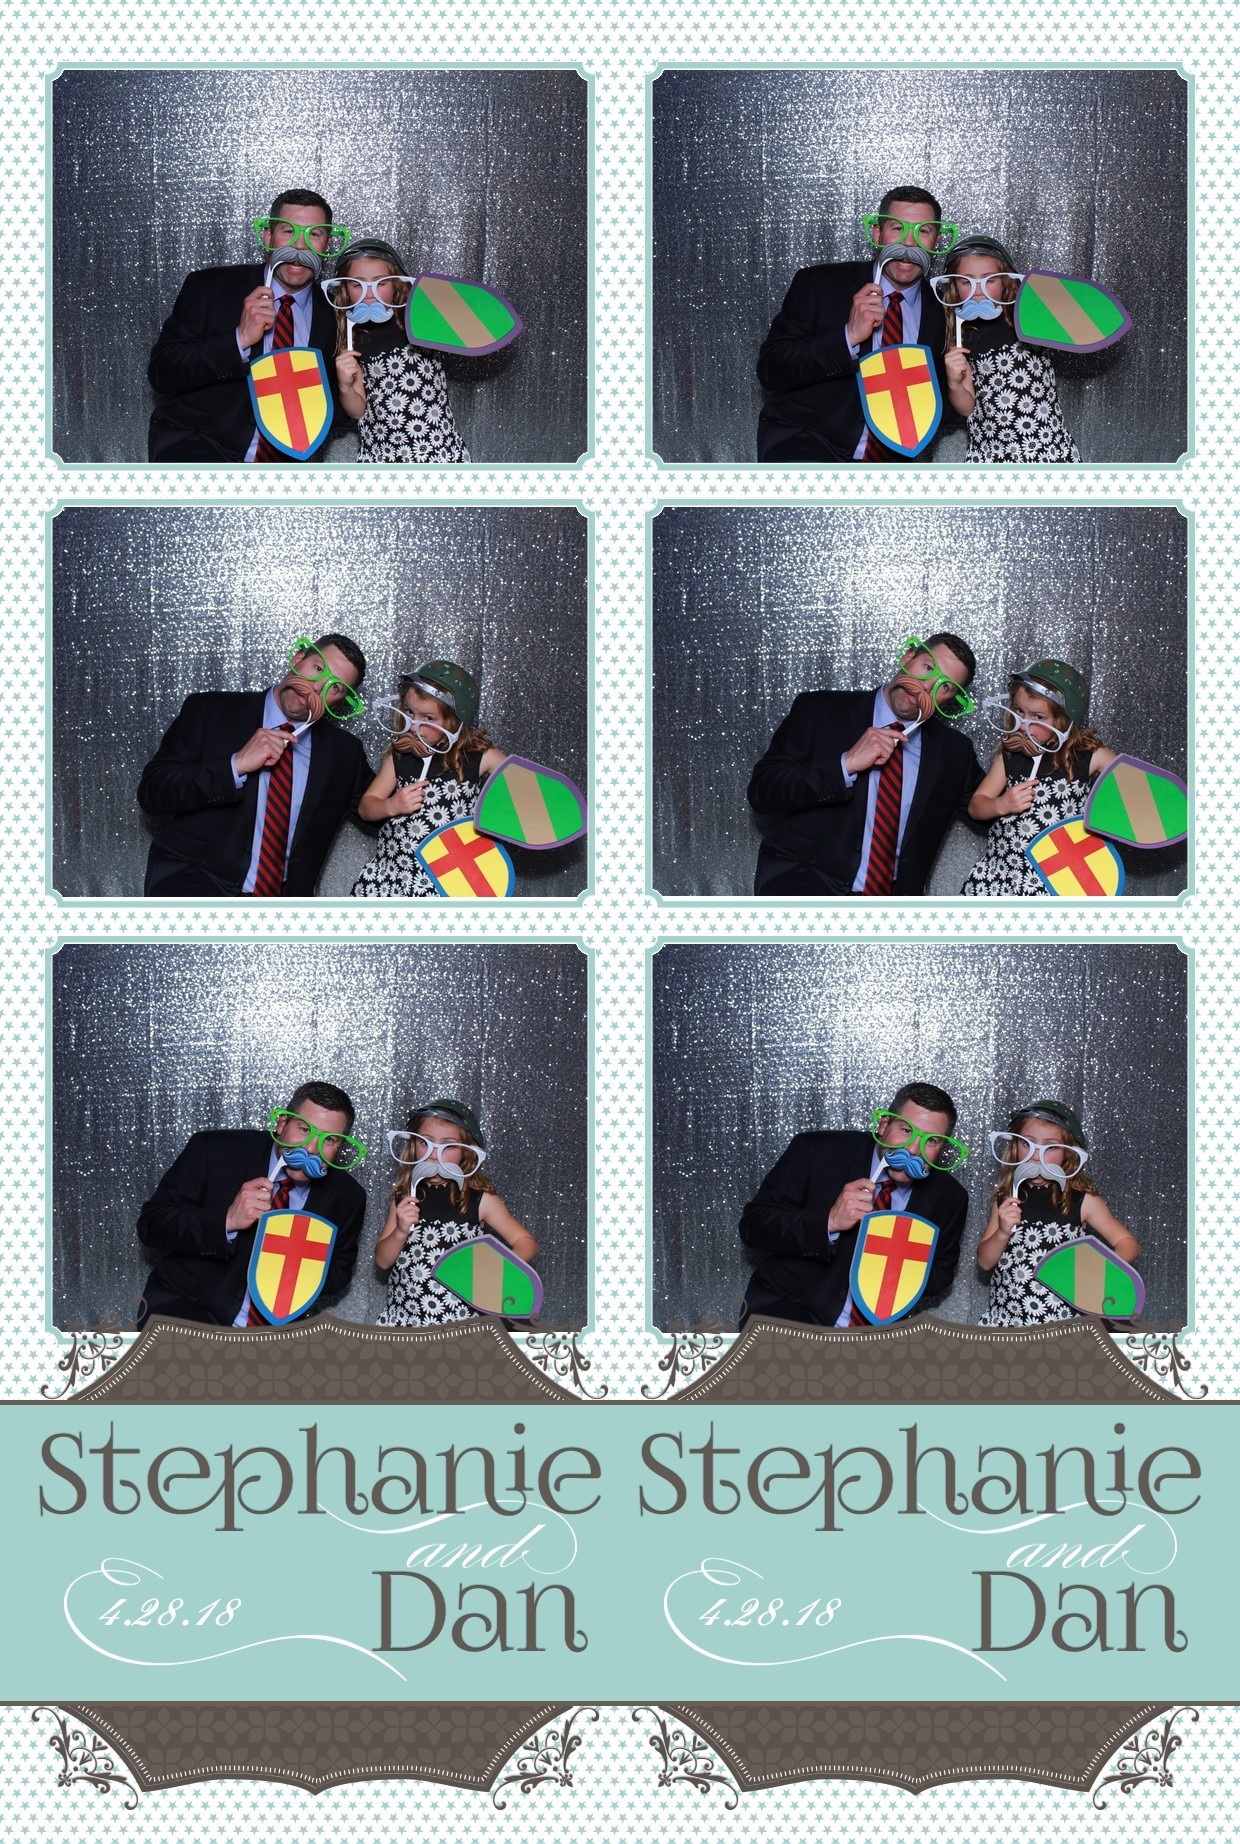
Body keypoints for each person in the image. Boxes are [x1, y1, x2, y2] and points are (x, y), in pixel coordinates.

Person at [138, 633, 374, 898]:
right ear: (298, 658)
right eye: (318, 668)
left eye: (335, 687)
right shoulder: (210, 710)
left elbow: (385, 810)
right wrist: (235, 765)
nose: (317, 687)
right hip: (194, 892)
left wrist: (406, 749)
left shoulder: (344, 753)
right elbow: (152, 793)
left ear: (339, 702)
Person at [749, 632, 983, 896]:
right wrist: (845, 764)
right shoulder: (820, 709)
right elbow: (762, 792)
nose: (927, 686)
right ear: (908, 657)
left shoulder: (954, 752)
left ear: (949, 701)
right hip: (804, 891)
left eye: (945, 686)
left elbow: (995, 809)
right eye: (928, 667)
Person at [136, 1082, 367, 1328]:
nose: (311, 1149)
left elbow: (340, 1271)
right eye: (303, 1129)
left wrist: (300, 1267)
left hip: (275, 1334)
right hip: (188, 1316)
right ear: (282, 1124)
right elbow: (152, 1226)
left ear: (340, 1147)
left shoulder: (348, 1196)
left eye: (329, 1140)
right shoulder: (214, 1151)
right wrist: (227, 1220)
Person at [738, 1083, 969, 1328]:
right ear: (883, 1125)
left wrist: (902, 1268)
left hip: (877, 1333)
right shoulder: (816, 1151)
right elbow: (754, 1227)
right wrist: (829, 1221)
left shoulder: (950, 1197)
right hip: (790, 1316)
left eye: (931, 1140)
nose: (913, 1150)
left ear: (942, 1148)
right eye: (905, 1130)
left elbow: (942, 1272)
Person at [756, 188, 954, 464]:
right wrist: (847, 337)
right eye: (898, 228)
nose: (909, 243)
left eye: (923, 231)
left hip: (893, 463)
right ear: (877, 233)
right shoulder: (820, 284)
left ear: (936, 240)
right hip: (808, 449)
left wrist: (956, 387)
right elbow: (771, 370)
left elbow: (940, 403)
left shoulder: (945, 309)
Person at [147, 189, 346, 464]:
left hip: (287, 466)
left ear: (327, 244)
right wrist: (239, 339)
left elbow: (333, 408)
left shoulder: (336, 313)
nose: (300, 246)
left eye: (314, 234)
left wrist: (346, 390)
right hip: (200, 453)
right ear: (268, 236)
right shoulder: (210, 287)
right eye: (289, 231)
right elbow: (162, 373)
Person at [374, 1101, 538, 1325]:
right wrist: (401, 1231)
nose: (434, 1155)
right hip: (406, 1321)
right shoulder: (404, 1198)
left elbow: (526, 1241)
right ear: (413, 1144)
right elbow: (383, 1261)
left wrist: (498, 1274)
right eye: (425, 1142)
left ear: (466, 1153)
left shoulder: (480, 1199)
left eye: (448, 1146)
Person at [962, 659, 1116, 896]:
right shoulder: (1009, 756)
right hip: (1003, 877)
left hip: (1056, 882)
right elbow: (976, 806)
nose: (1024, 725)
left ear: (1064, 719)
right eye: (1019, 711)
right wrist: (1001, 804)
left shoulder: (1090, 756)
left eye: (1039, 717)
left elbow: (1132, 788)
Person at [977, 1100, 1138, 1325]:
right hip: (1007, 1322)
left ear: (1068, 1154)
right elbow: (984, 1262)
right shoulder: (1006, 1199)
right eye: (1028, 1143)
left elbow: (1127, 1242)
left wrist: (1099, 1276)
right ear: (1015, 1145)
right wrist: (1003, 1232)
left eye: (1050, 1147)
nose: (1036, 1155)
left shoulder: (1082, 1200)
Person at [351, 661, 503, 898]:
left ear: (454, 721)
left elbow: (522, 789)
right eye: (409, 712)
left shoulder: (479, 758)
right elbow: (366, 807)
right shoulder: (398, 756)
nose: (413, 725)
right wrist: (391, 805)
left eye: (429, 718)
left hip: (446, 883)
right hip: (393, 877)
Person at [939, 235, 1080, 463]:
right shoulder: (962, 334)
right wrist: (954, 383)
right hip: (991, 453)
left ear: (1005, 279)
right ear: (954, 285)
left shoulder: (1028, 316)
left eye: (989, 280)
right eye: (966, 282)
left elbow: (1075, 325)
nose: (978, 290)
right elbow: (966, 408)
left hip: (1047, 449)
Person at [329, 238, 468, 464]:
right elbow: (358, 411)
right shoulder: (352, 337)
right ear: (344, 288)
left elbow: (466, 325)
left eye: (380, 283)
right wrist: (345, 386)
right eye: (357, 284)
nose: (369, 293)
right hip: (383, 455)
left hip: (439, 451)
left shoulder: (419, 318)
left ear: (396, 282)